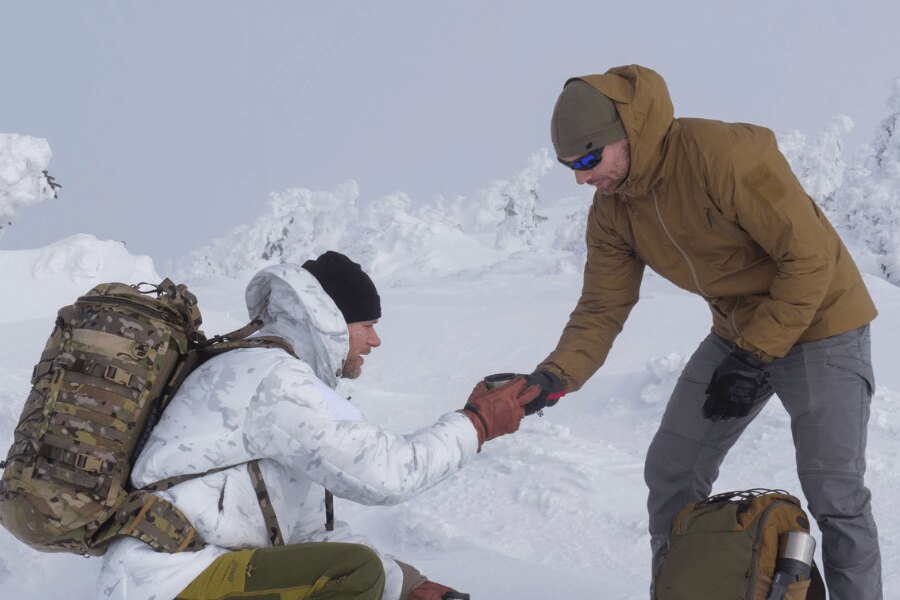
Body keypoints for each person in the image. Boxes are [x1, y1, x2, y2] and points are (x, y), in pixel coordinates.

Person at [524, 65, 882, 599]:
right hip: (738, 335)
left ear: (627, 134)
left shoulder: (722, 155)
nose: (581, 177)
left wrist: (756, 354)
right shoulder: (613, 209)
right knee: (672, 472)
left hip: (822, 322)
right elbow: (603, 305)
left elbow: (809, 258)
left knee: (835, 493)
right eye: (569, 166)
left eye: (588, 159)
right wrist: (555, 375)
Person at [98, 251, 539, 600]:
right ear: (331, 322)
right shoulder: (271, 376)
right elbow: (386, 474)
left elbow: (308, 534)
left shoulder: (273, 372)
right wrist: (477, 423)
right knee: (353, 574)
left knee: (354, 569)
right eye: (367, 325)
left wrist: (404, 585)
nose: (375, 340)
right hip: (173, 581)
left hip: (189, 575)